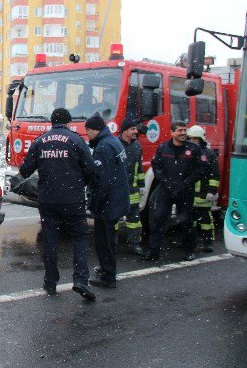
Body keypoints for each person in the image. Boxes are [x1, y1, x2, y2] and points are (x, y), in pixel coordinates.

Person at [19, 108, 97, 301]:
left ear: (51, 123)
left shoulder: (40, 141)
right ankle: (80, 280)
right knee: (79, 237)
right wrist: (79, 183)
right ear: (69, 122)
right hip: (72, 199)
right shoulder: (76, 140)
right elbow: (91, 169)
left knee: (50, 240)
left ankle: (50, 282)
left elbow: (25, 170)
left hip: (47, 200)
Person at [144, 121, 208, 262]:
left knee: (186, 221)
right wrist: (165, 181)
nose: (183, 133)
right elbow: (156, 165)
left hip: (185, 191)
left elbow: (202, 168)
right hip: (166, 190)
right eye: (180, 130)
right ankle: (153, 252)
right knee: (159, 219)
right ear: (172, 132)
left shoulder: (194, 149)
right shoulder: (163, 148)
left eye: (184, 130)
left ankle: (190, 251)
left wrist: (187, 182)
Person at [85, 114, 130, 289]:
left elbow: (101, 181)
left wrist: (94, 204)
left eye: (87, 130)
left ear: (94, 129)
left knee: (104, 241)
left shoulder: (103, 147)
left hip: (108, 203)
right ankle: (107, 269)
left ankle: (108, 276)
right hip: (116, 198)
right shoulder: (113, 141)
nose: (87, 134)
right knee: (109, 238)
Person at [187, 125, 220, 253]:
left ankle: (208, 243)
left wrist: (212, 191)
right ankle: (191, 243)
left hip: (203, 194)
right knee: (190, 222)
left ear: (200, 139)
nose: (192, 141)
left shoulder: (208, 154)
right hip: (190, 195)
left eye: (195, 138)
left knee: (206, 220)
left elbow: (214, 174)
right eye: (191, 138)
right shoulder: (187, 152)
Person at [116, 118, 146, 255]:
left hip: (132, 190)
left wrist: (142, 185)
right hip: (117, 190)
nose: (136, 131)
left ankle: (135, 244)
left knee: (134, 219)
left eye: (136, 129)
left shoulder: (137, 146)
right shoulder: (115, 144)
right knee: (113, 219)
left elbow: (139, 167)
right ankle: (112, 244)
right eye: (132, 129)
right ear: (124, 131)